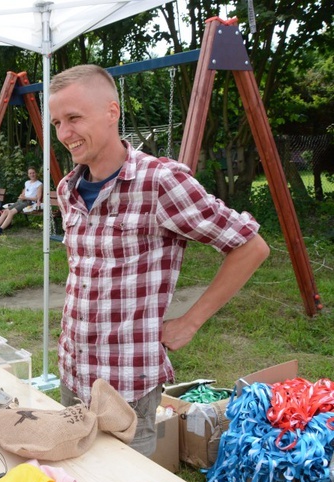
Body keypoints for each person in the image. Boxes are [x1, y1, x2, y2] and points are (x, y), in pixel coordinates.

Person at [48, 64, 270, 457]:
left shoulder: (159, 181)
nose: (64, 134)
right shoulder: (68, 188)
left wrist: (191, 321)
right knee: (76, 479)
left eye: (74, 118)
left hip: (127, 383)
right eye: (58, 122)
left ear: (112, 111)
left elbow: (250, 247)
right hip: (72, 370)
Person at [0, 167, 43, 235]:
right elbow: (23, 193)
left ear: (36, 173)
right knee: (5, 211)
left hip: (29, 202)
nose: (32, 174)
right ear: (28, 175)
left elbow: (37, 198)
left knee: (11, 212)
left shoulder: (39, 184)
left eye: (33, 173)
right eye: (30, 173)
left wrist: (26, 197)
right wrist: (21, 196)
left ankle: (0, 230)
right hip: (22, 200)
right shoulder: (27, 182)